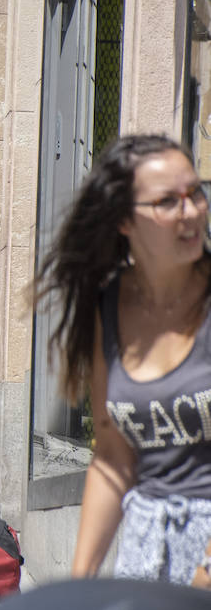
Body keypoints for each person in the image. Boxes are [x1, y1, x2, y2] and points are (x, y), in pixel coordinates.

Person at [34, 134, 211, 585]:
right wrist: (81, 583)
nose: (190, 212)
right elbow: (114, 457)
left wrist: (205, 572)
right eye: (167, 202)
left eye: (195, 194)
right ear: (124, 221)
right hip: (146, 555)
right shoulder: (107, 307)